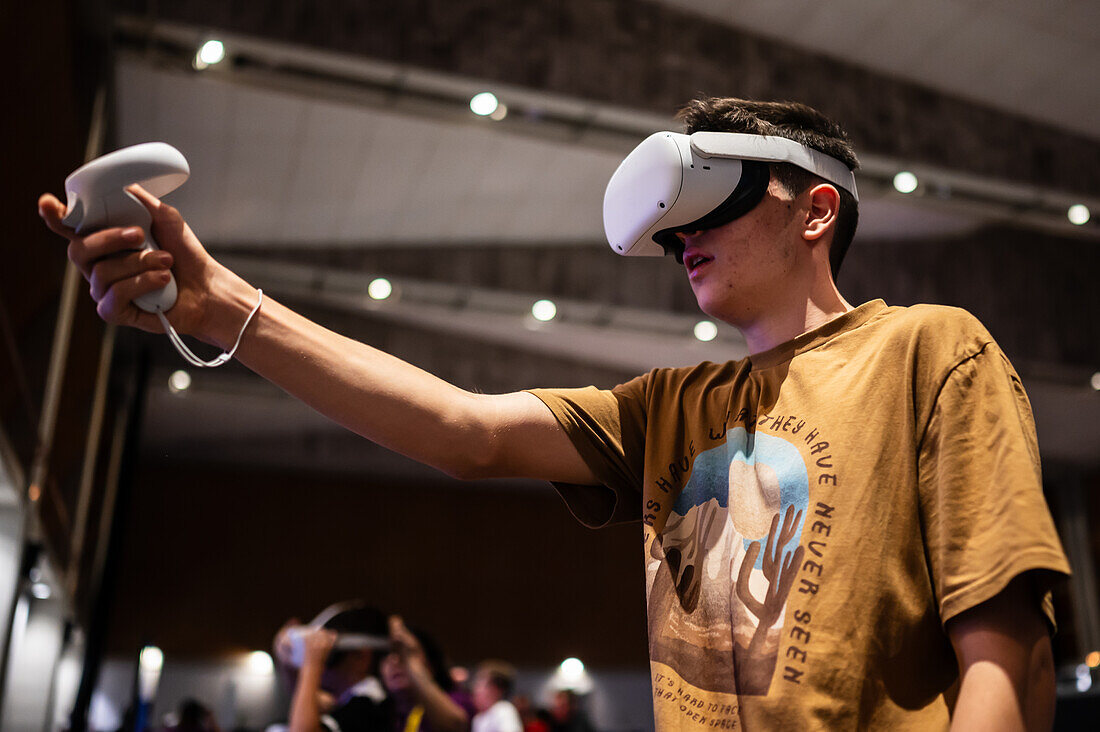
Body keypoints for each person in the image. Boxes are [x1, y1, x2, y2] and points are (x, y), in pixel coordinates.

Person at [39, 95, 1070, 730]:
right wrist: (221, 305)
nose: (677, 241)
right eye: (666, 232)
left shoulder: (926, 348)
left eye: (711, 202)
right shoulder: (670, 410)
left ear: (813, 208)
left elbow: (1005, 654)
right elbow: (462, 431)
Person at [273, 602, 391, 732]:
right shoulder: (348, 699)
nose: (322, 663)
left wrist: (311, 665)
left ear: (361, 657)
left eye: (329, 654)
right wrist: (289, 663)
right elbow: (306, 704)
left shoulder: (368, 702)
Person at [380, 616, 476, 732]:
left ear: (431, 665)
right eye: (386, 654)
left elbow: (456, 725)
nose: (395, 661)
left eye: (403, 653)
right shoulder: (381, 712)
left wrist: (411, 661)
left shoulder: (456, 700)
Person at [469, 661, 522, 732]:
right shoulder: (478, 718)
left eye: (479, 683)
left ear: (494, 689)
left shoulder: (503, 710)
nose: (474, 689)